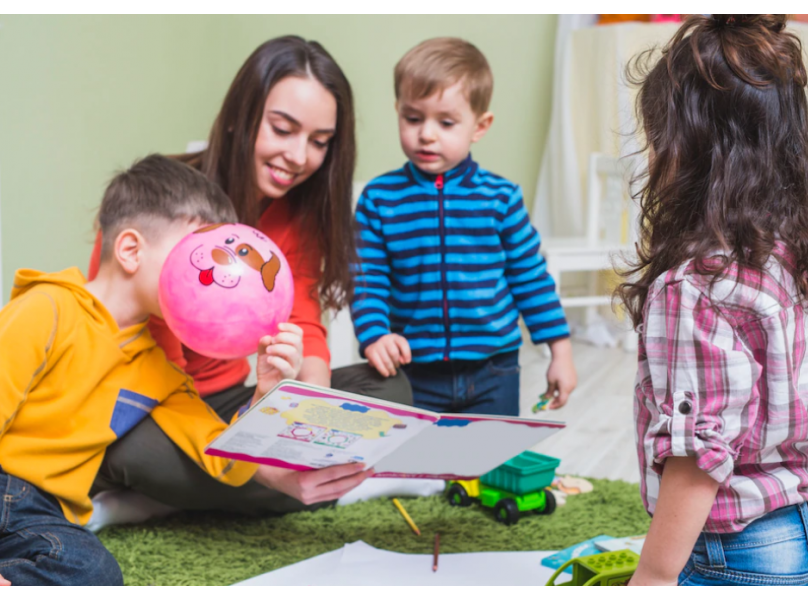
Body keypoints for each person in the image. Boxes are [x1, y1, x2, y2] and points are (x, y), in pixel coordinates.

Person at [0, 155, 373, 585]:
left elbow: (228, 464)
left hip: (47, 517)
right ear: (130, 249)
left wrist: (266, 390)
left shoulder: (159, 368)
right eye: (195, 251)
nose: (212, 272)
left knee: (94, 571)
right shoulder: (47, 308)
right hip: (9, 485)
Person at [87, 36, 414, 519]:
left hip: (232, 400)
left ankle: (230, 486)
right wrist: (265, 469)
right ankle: (266, 486)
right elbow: (149, 372)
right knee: (127, 448)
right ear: (242, 116)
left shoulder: (297, 212)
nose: (299, 156)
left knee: (389, 391)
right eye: (283, 129)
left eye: (320, 142)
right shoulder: (163, 203)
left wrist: (313, 410)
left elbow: (302, 320)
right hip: (152, 407)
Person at [619, 14, 808, 586]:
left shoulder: (694, 288)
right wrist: (805, 501)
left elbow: (698, 455)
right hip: (800, 536)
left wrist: (653, 577)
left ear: (687, 151)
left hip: (731, 552)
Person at [350, 37, 577, 416]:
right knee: (419, 471)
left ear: (479, 125)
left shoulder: (501, 197)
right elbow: (366, 278)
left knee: (488, 468)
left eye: (446, 122)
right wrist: (374, 335)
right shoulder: (378, 198)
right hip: (413, 373)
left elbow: (530, 277)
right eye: (413, 118)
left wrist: (561, 351)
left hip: (495, 369)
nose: (427, 133)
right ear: (397, 111)